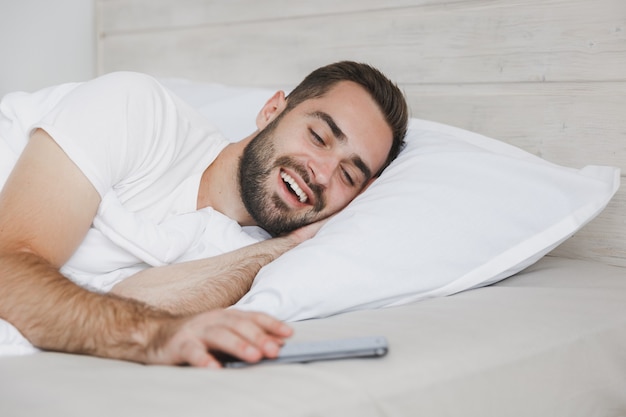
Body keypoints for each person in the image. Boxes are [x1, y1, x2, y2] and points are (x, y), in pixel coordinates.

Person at [0, 61, 408, 367]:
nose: (321, 174)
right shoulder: (137, 109)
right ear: (271, 111)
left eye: (348, 174)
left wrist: (288, 246)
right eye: (318, 136)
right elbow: (7, 267)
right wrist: (154, 335)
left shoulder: (245, 255)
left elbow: (120, 304)